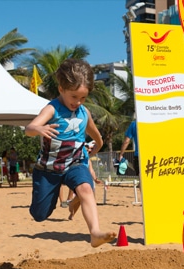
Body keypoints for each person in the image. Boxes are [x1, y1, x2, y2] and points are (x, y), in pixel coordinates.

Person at [24, 58, 117, 248]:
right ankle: (61, 204)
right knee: (39, 214)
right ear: (61, 89)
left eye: (83, 98)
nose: (78, 102)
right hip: (48, 169)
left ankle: (95, 233)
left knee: (85, 187)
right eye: (74, 97)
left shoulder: (84, 113)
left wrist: (91, 153)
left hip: (75, 164)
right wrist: (39, 129)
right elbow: (29, 128)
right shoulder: (52, 108)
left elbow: (97, 138)